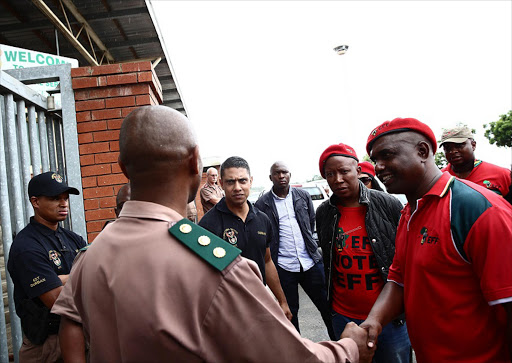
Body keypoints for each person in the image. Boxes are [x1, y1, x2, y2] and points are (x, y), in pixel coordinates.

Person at [51, 105, 374, 362]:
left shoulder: (90, 255)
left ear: (123, 168)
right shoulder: (213, 265)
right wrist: (349, 347)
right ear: (195, 162)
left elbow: (71, 325)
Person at [362, 117, 512, 362]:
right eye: (375, 160)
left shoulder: (478, 210)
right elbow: (399, 278)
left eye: (386, 155)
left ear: (422, 151)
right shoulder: (408, 212)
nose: (378, 167)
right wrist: (373, 322)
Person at [315, 143, 411, 362]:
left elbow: (404, 258)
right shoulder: (324, 212)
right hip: (343, 316)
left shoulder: (387, 204)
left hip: (389, 318)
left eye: (344, 171)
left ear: (358, 171)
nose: (337, 179)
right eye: (330, 174)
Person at [199, 156, 294, 321]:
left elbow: (267, 261)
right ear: (221, 184)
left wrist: (282, 300)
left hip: (260, 301)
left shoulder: (262, 219)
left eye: (242, 181)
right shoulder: (208, 224)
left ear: (250, 181)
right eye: (230, 182)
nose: (237, 187)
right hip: (226, 310)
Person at [7, 171, 87, 362]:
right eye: (54, 198)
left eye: (65, 198)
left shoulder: (72, 238)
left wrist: (61, 279)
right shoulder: (26, 246)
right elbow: (56, 299)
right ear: (35, 202)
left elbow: (98, 273)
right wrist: (81, 275)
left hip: (79, 334)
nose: (63, 203)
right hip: (48, 345)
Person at [255, 161, 336, 340]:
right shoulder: (262, 204)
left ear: (290, 174)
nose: (281, 176)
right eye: (277, 173)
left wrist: (312, 247)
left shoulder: (302, 196)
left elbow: (310, 222)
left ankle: (339, 347)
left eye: (284, 172)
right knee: (290, 314)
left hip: (310, 262)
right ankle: (298, 353)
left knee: (327, 306)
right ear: (271, 177)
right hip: (283, 266)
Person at [440, 125, 511, 203]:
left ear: (473, 145)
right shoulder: (439, 178)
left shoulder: (502, 174)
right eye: (447, 148)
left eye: (459, 145)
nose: (453, 151)